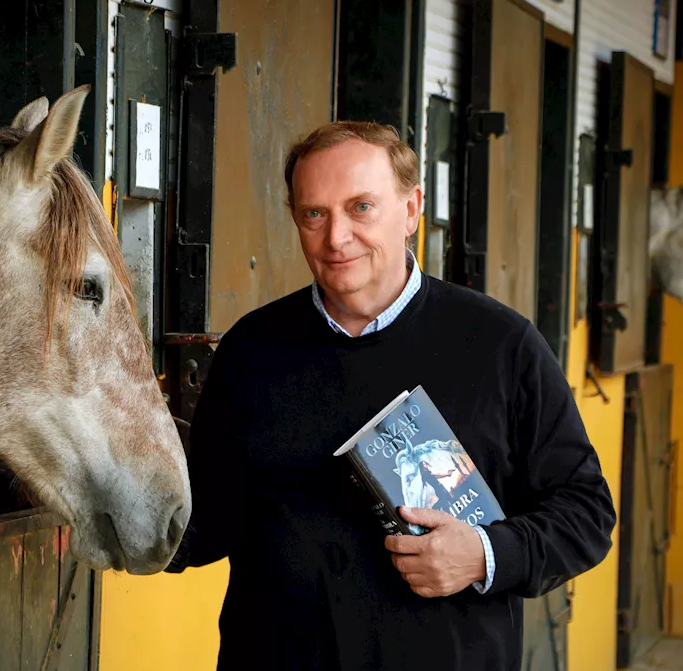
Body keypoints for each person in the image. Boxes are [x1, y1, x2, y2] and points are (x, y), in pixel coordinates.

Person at [165, 121, 616, 671]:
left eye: (360, 208)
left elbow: (586, 511)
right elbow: (209, 521)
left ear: (411, 209)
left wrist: (484, 554)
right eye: (314, 214)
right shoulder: (250, 351)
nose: (336, 238)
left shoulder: (500, 345)